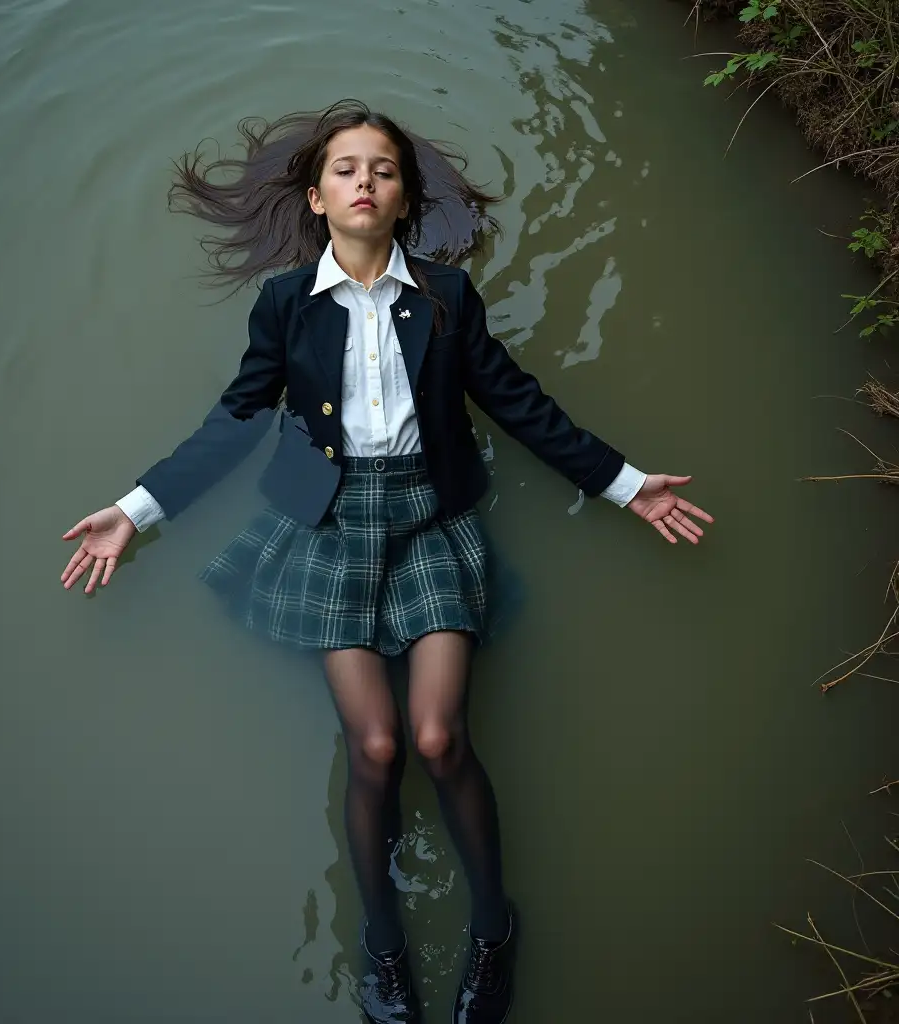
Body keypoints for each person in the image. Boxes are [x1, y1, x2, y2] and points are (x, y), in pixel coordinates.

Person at [59, 100, 713, 1024]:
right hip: (328, 519)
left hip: (430, 513)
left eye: (384, 170)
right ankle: (383, 945)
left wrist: (626, 483)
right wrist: (136, 512)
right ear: (319, 198)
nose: (365, 181)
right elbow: (239, 418)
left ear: (404, 200)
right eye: (346, 169)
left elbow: (518, 402)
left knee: (439, 739)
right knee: (375, 748)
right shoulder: (285, 304)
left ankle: (493, 932)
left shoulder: (447, 295)